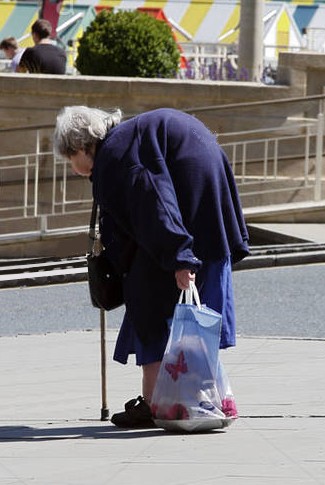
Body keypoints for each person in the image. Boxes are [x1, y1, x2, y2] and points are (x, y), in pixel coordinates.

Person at [54, 106, 249, 428]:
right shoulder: (124, 142)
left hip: (190, 217)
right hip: (206, 212)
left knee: (149, 302)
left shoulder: (116, 156)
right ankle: (181, 397)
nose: (74, 169)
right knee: (180, 315)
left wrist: (179, 256)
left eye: (71, 159)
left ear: (82, 146)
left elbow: (154, 202)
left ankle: (159, 403)